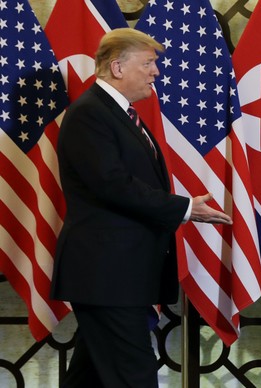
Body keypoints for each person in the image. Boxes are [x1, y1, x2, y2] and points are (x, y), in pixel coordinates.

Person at [50, 28, 232, 387]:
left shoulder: (119, 113)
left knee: (89, 379)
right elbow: (113, 185)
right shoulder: (90, 113)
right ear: (117, 67)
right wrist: (182, 209)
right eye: (148, 63)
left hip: (118, 276)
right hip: (107, 277)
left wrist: (181, 206)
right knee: (136, 377)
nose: (156, 72)